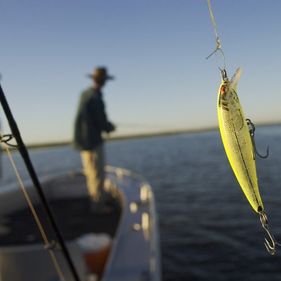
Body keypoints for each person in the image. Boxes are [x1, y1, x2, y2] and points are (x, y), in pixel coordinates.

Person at [73, 67, 116, 204]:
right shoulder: (96, 97)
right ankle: (98, 205)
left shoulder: (85, 94)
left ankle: (96, 199)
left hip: (83, 142)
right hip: (92, 141)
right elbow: (101, 121)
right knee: (97, 173)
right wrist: (109, 127)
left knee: (90, 173)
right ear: (103, 81)